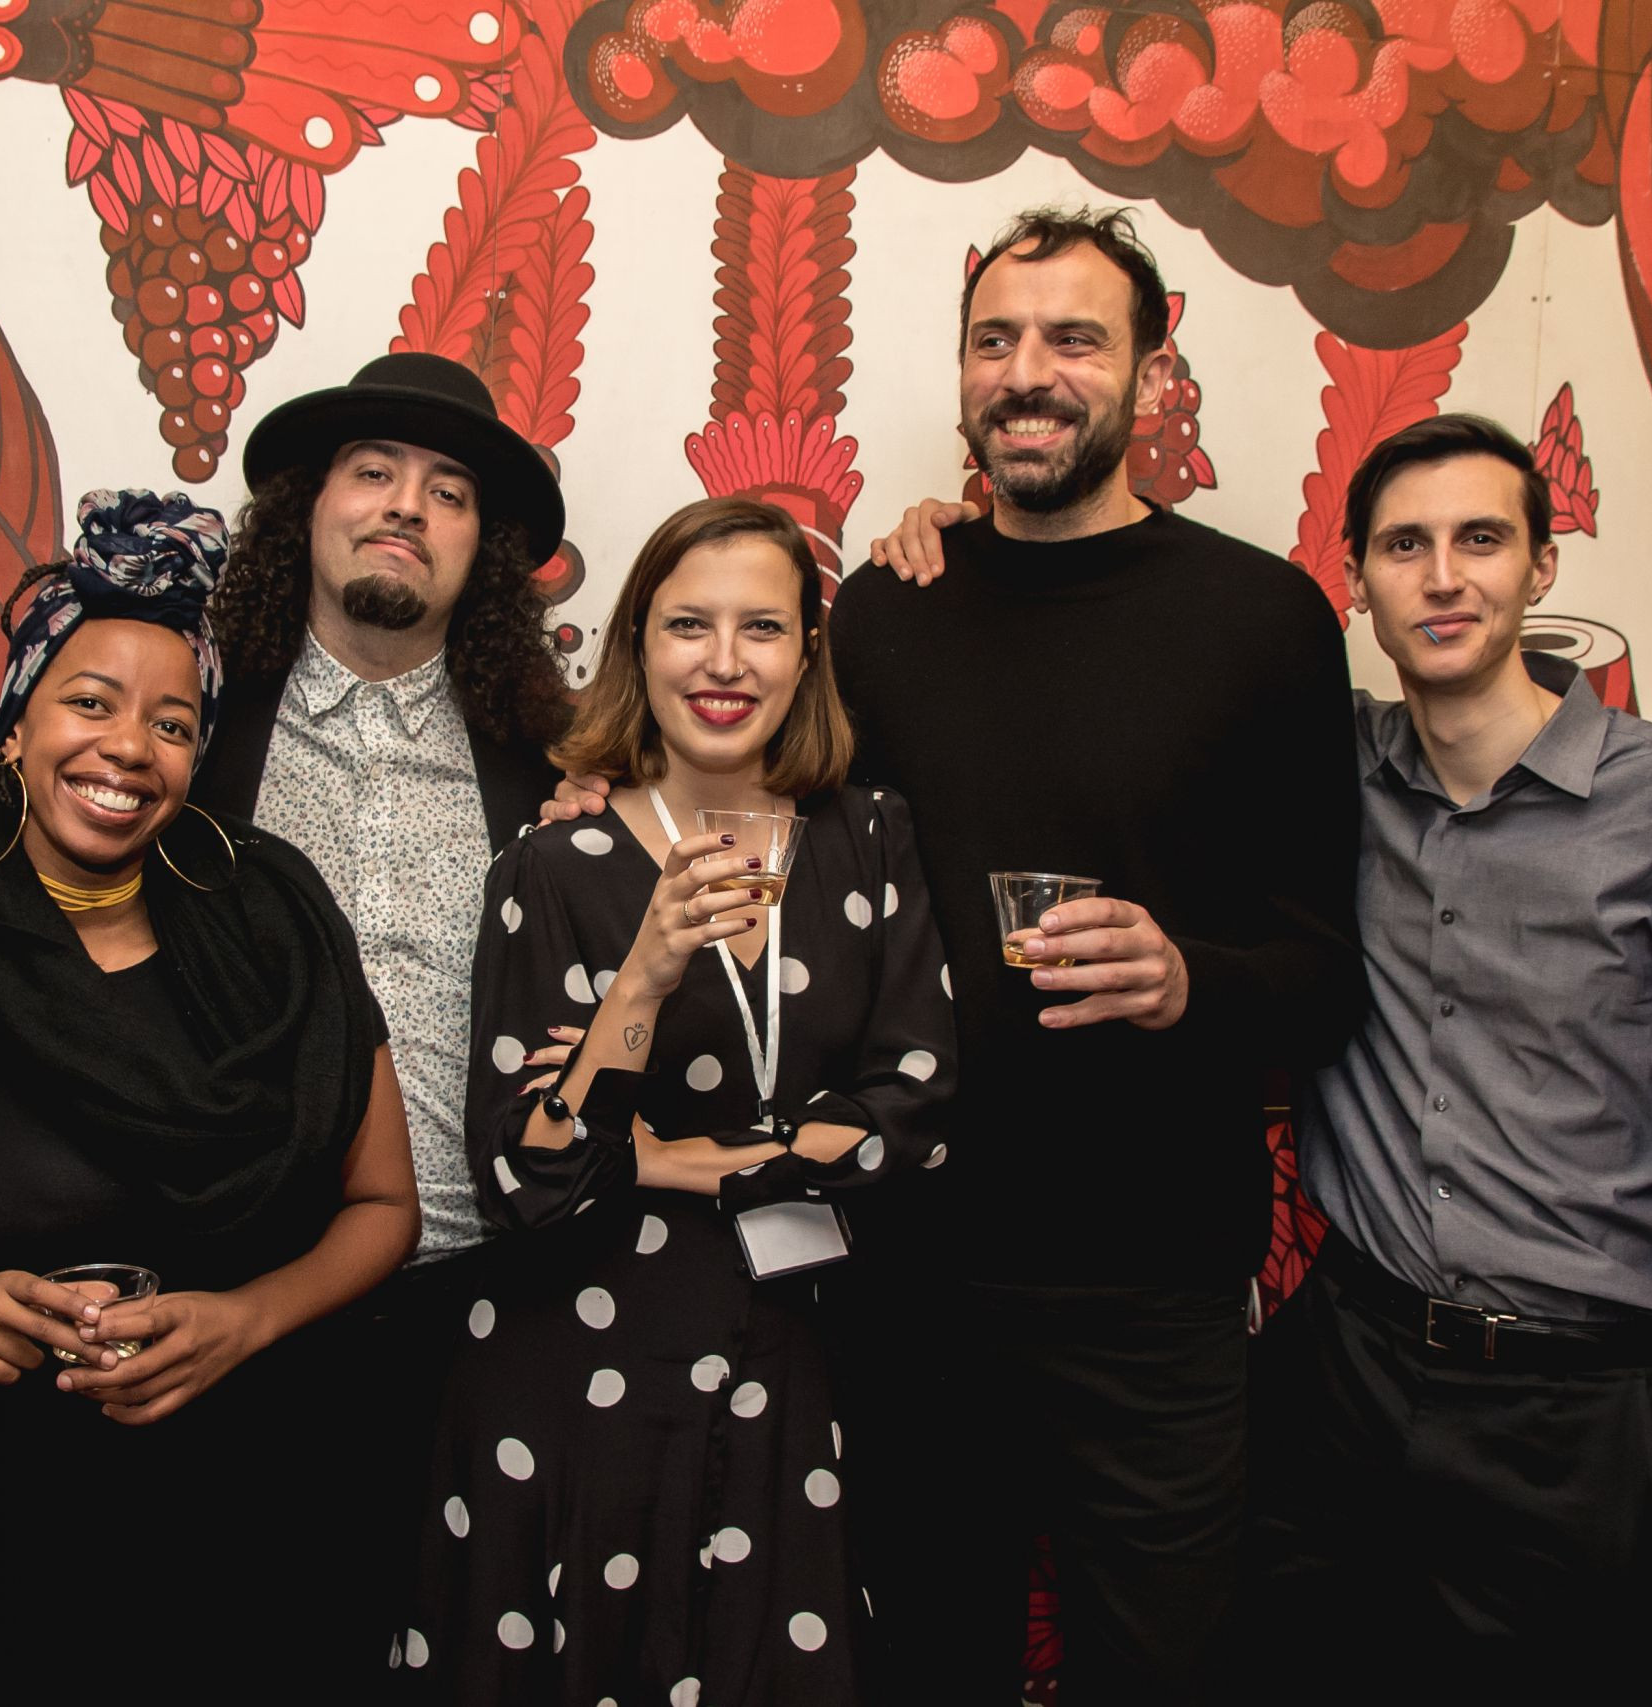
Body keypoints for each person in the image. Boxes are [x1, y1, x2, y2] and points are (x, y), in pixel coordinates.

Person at [573, 208, 1367, 1701]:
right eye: (995, 340)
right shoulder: (885, 612)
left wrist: (1191, 974)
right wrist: (599, 792)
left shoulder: (1263, 619)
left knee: (1165, 1669)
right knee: (926, 1656)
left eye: (1075, 338)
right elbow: (741, 781)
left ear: (1148, 372)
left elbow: (1332, 968)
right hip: (908, 1273)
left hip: (1154, 1286)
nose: (1029, 373)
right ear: (960, 374)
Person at [1235, 415, 1652, 1703]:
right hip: (1345, 1374)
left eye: (1480, 539)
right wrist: (963, 534)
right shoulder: (1329, 775)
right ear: (1355, 580)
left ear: (1540, 567)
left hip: (1576, 1418)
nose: (1441, 577)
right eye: (1402, 546)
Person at [0, 488, 419, 1701]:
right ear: (15, 725)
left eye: (174, 723)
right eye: (88, 702)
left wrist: (245, 1319)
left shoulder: (271, 912)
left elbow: (382, 1207)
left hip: (263, 1522)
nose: (129, 748)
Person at [403, 496, 956, 1703]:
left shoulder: (866, 836)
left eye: (760, 626)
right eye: (686, 624)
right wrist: (644, 977)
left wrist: (672, 1158)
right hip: (575, 1379)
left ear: (806, 651)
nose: (721, 661)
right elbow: (526, 1176)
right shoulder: (553, 865)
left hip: (794, 1364)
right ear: (635, 645)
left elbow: (912, 1112)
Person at [200, 350, 575, 1646]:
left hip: (474, 1309)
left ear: (486, 549)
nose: (406, 506)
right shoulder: (186, 734)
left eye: (450, 489)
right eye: (373, 472)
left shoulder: (546, 770)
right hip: (229, 1304)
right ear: (306, 506)